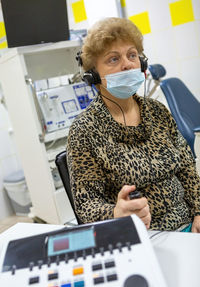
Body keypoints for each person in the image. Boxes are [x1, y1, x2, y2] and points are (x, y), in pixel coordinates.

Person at [66, 17, 200, 232]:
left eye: (132, 55)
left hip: (189, 225)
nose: (127, 64)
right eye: (113, 59)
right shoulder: (85, 130)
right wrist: (116, 213)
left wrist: (198, 211)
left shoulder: (157, 111)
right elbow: (86, 205)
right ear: (93, 75)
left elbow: (186, 168)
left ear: (142, 63)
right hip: (141, 234)